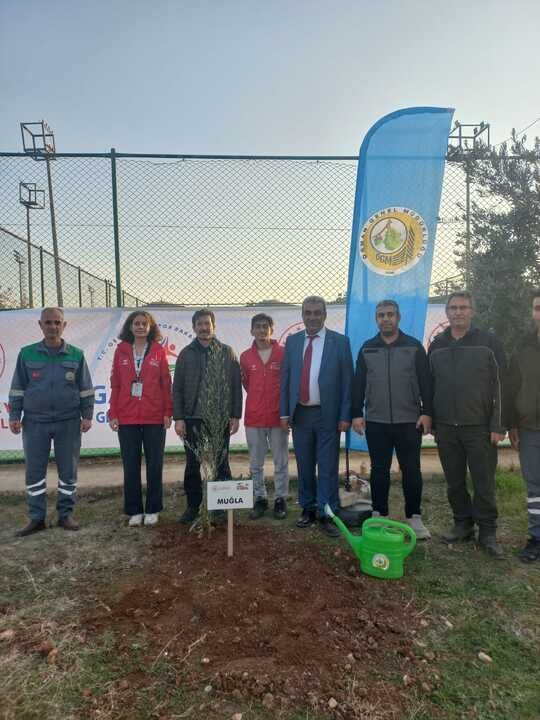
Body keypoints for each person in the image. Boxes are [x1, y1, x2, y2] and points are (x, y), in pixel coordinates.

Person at [428, 291, 507, 557]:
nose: (458, 312)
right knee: (454, 482)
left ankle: (487, 531)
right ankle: (462, 524)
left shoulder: (489, 343)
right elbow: (429, 386)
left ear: (472, 311)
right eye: (453, 308)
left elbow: (502, 385)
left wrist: (498, 425)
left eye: (463, 307)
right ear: (447, 313)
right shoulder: (437, 345)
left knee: (483, 482)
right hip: (446, 427)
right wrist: (432, 418)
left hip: (480, 428)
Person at [8, 307, 94, 536]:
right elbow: (17, 388)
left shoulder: (76, 354)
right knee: (35, 472)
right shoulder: (27, 354)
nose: (53, 327)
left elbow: (85, 388)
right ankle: (37, 518)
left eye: (57, 322)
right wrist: (15, 415)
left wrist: (87, 415)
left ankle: (66, 515)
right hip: (35, 422)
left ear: (64, 325)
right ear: (40, 325)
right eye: (48, 322)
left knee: (68, 471)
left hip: (68, 421)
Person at [351, 300, 433, 539]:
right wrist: (356, 413)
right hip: (377, 421)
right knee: (379, 470)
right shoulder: (367, 348)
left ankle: (414, 517)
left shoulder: (414, 347)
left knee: (411, 469)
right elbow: (359, 384)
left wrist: (427, 412)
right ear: (376, 319)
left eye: (390, 314)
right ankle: (380, 515)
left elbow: (426, 382)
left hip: (409, 420)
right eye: (381, 315)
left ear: (398, 317)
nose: (385, 319)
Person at [280, 295, 353, 537]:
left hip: (328, 415)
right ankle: (308, 508)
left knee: (328, 466)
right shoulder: (292, 342)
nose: (312, 317)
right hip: (300, 414)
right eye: (307, 313)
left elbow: (347, 382)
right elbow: (286, 379)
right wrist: (284, 412)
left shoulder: (339, 342)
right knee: (305, 464)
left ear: (324, 315)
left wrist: (345, 415)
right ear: (302, 315)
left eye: (317, 313)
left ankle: (327, 512)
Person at [173, 309, 242, 524]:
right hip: (192, 418)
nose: (204, 328)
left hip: (219, 418)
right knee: (192, 464)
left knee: (221, 463)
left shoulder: (227, 352)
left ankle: (221, 507)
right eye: (200, 324)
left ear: (214, 326)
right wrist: (179, 418)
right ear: (194, 327)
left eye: (207, 324)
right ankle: (193, 506)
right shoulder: (185, 354)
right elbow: (178, 389)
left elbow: (235, 386)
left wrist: (235, 415)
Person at [108, 311, 172, 526]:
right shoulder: (121, 351)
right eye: (136, 323)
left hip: (154, 416)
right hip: (127, 417)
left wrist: (167, 412)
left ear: (150, 327)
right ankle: (134, 510)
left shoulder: (158, 350)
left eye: (145, 324)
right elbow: (116, 384)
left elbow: (166, 384)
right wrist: (113, 413)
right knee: (130, 465)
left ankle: (153, 509)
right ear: (130, 326)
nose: (140, 327)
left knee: (155, 465)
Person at [240, 313, 289, 520]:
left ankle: (280, 499)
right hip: (254, 418)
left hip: (278, 418)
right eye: (257, 327)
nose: (261, 330)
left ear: (271, 329)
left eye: (265, 326)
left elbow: (288, 383)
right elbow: (247, 384)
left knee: (281, 462)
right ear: (252, 330)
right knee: (255, 463)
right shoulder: (245, 357)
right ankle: (260, 498)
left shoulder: (283, 353)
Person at [506, 290, 540, 562]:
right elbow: (511, 387)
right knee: (535, 487)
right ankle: (536, 537)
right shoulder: (523, 346)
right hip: (530, 428)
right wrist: (512, 424)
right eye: (538, 308)